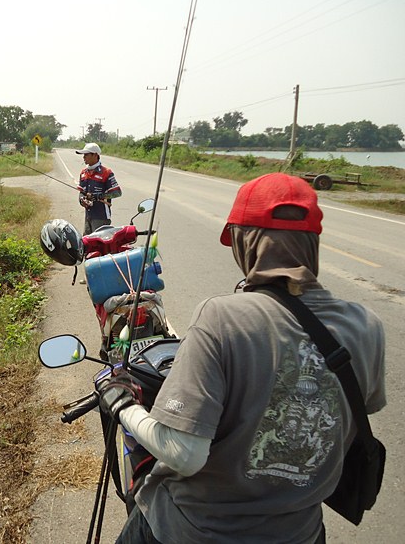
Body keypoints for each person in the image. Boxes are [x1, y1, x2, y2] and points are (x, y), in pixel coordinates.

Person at [99, 172, 386, 543]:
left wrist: (121, 404)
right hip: (300, 533)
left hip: (194, 530)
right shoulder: (367, 326)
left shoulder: (221, 317)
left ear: (245, 242)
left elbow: (184, 453)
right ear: (311, 241)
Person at [76, 142, 122, 235]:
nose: (83, 157)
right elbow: (81, 192)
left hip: (101, 217)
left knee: (100, 245)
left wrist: (98, 196)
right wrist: (82, 200)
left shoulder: (106, 172)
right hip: (88, 216)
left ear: (95, 155)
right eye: (83, 155)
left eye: (86, 154)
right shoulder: (83, 173)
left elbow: (117, 192)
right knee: (86, 244)